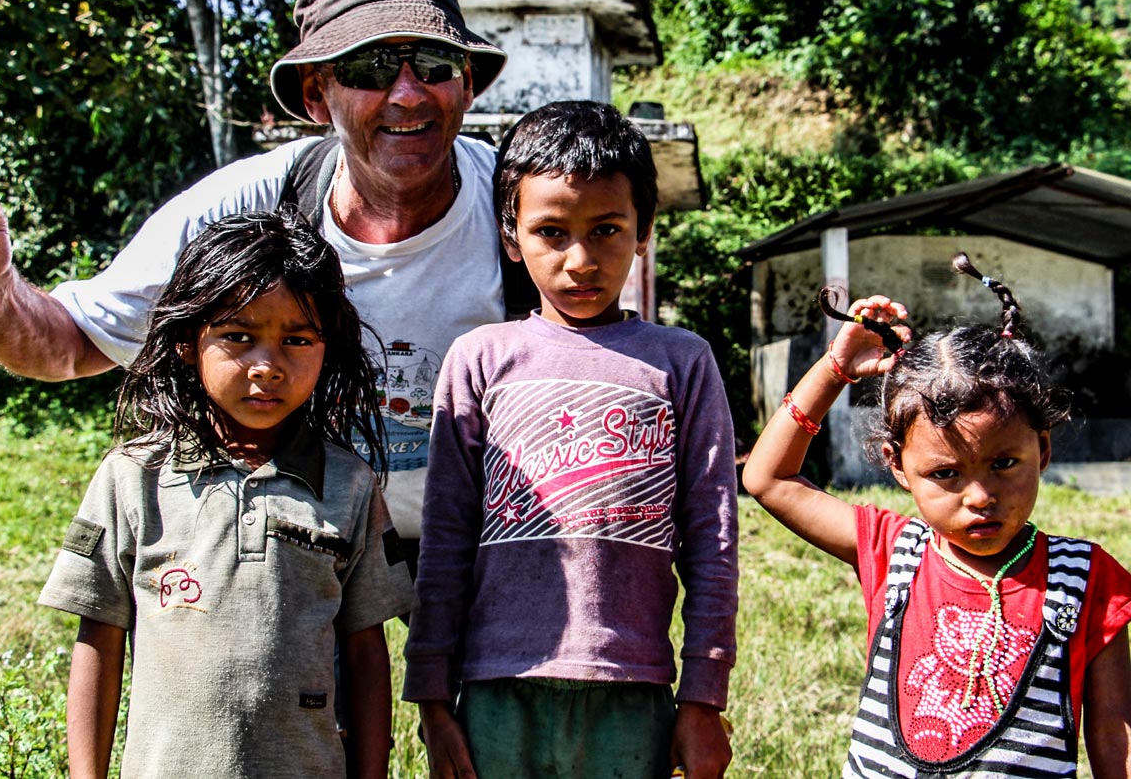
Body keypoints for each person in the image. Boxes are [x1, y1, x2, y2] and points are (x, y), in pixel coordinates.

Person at [0, 0, 510, 562]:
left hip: (481, 544)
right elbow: (66, 343)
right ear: (317, 95)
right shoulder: (253, 204)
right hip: (301, 543)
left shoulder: (524, 213)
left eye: (433, 63)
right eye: (370, 68)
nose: (408, 94)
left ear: (467, 81)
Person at [402, 101, 738, 779]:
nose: (580, 260)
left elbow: (713, 538)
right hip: (497, 689)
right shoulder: (479, 359)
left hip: (632, 691)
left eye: (607, 230)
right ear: (510, 235)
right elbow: (445, 538)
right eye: (551, 232)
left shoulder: (682, 363)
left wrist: (703, 695)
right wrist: (434, 701)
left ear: (642, 230)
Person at [38, 206, 414, 779]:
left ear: (326, 349)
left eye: (297, 339)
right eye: (238, 337)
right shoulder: (134, 478)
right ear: (190, 342)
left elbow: (366, 653)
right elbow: (100, 636)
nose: (267, 366)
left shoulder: (349, 486)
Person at [740, 254, 1131, 778]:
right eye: (946, 474)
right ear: (898, 468)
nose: (979, 496)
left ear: (1042, 449)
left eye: (1004, 464)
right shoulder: (891, 549)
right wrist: (834, 369)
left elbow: (1113, 733)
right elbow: (768, 479)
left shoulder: (1089, 578)